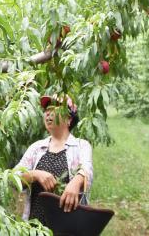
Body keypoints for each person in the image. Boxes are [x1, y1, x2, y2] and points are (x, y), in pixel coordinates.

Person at [15, 95, 94, 223]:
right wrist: (34, 174)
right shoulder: (36, 148)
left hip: (67, 225)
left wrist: (76, 182)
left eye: (54, 109)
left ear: (69, 119)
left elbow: (87, 169)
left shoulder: (81, 146)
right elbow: (14, 178)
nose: (48, 114)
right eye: (46, 110)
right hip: (35, 225)